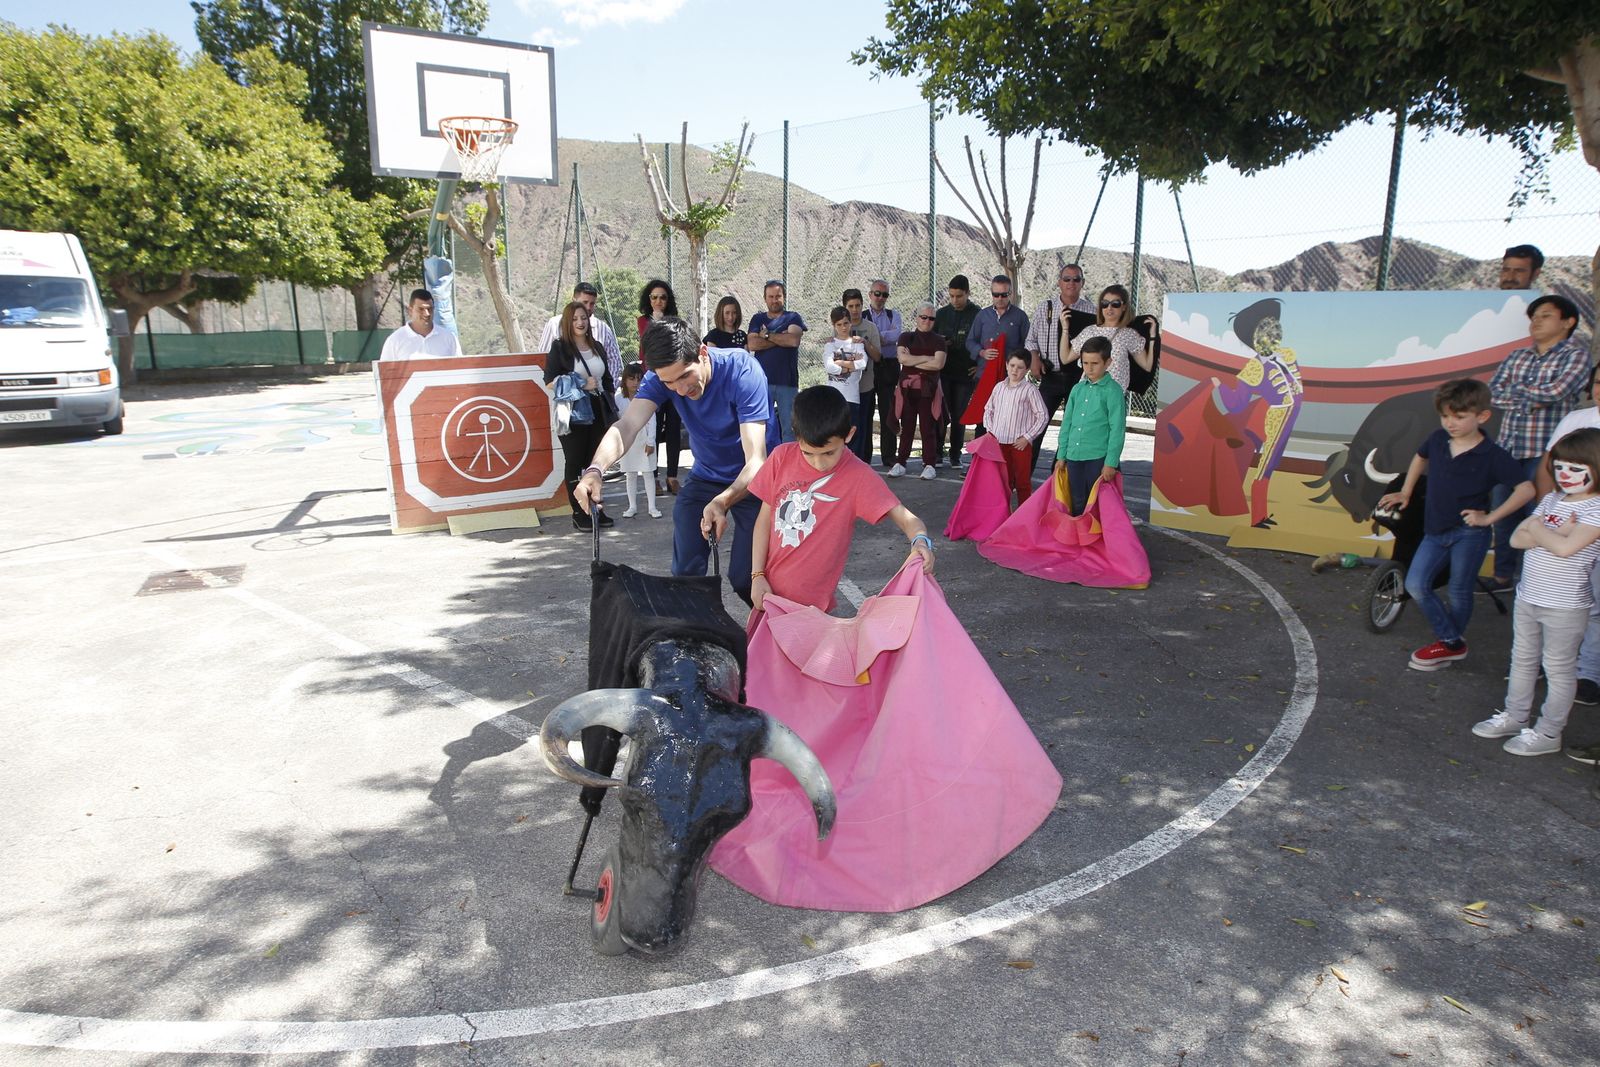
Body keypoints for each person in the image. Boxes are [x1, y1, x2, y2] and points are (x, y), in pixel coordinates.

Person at [576, 317, 772, 603]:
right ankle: (694, 639)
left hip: (758, 482)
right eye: (670, 383)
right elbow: (627, 426)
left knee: (747, 579)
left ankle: (778, 638)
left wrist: (723, 501)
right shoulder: (662, 379)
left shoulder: (742, 370)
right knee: (684, 577)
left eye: (685, 376)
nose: (680, 390)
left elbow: (756, 460)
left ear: (702, 353)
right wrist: (595, 470)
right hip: (706, 476)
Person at [1375, 379, 1536, 671]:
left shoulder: (1494, 455)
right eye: (1446, 416)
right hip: (1434, 530)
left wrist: (1488, 518)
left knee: (1460, 590)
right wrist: (1407, 491)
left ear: (1482, 416)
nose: (1451, 423)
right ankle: (1452, 641)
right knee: (1415, 583)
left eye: (1459, 417)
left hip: (1470, 534)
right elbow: (1420, 457)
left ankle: (1448, 646)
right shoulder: (1437, 439)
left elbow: (1526, 490)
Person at [749, 385, 934, 615]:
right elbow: (764, 520)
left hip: (816, 613)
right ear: (796, 435)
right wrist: (757, 575)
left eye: (828, 453)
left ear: (849, 434)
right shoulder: (781, 458)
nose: (819, 463)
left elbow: (909, 520)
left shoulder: (858, 476)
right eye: (808, 453)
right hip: (769, 599)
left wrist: (920, 541)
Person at [1471, 428, 1600, 756]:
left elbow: (1567, 549)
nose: (1565, 474)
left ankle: (1548, 732)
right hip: (1529, 595)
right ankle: (1514, 715)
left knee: (1558, 668)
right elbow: (1516, 540)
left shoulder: (1596, 509)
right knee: (1523, 659)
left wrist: (1540, 529)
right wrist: (1553, 533)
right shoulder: (1552, 499)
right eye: (1559, 466)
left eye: (1575, 468)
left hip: (1566, 604)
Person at [1487, 294, 1591, 588]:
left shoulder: (1576, 354)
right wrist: (1530, 398)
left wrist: (1518, 393)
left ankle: (1538, 577)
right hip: (1507, 448)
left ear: (1568, 322)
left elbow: (1556, 392)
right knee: (1503, 513)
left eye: (1545, 315)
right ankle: (1503, 576)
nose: (1536, 321)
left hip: (1546, 452)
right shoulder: (1517, 355)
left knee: (1544, 514)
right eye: (1534, 316)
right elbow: (1492, 393)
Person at [1534, 366, 1600, 705]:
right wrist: (1547, 512)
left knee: (1596, 603)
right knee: (1556, 595)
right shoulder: (1578, 419)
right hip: (1568, 522)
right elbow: (1548, 466)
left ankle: (1588, 672)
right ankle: (1552, 661)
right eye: (1599, 381)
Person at [545, 301, 617, 531]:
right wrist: (582, 385)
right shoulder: (560, 348)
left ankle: (597, 507)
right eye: (575, 318)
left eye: (583, 318)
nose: (580, 322)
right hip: (574, 412)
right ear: (568, 321)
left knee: (595, 462)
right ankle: (579, 512)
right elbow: (549, 381)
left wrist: (608, 397)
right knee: (575, 462)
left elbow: (606, 379)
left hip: (598, 409)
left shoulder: (597, 346)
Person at [1027, 263, 1098, 473]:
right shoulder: (1045, 307)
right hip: (1051, 376)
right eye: (1066, 279)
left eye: (1076, 279)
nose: (1071, 283)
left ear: (1082, 283)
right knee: (1036, 426)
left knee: (1071, 431)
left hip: (1078, 378)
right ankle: (1022, 478)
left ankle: (1057, 480)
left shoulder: (1091, 311)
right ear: (1059, 282)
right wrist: (1034, 359)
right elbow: (1030, 340)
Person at [1053, 338, 1126, 516]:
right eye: (1085, 363)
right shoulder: (1077, 390)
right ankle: (1080, 538)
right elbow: (1067, 423)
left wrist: (1111, 463)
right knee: (1076, 500)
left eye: (1095, 363)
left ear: (1108, 362)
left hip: (1097, 457)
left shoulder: (1113, 391)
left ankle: (1096, 540)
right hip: (1073, 456)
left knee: (1097, 502)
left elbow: (1117, 429)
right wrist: (1061, 454)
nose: (1089, 368)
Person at [982, 349, 1049, 510]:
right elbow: (988, 410)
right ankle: (1001, 513)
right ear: (1006, 365)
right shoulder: (999, 387)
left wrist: (1027, 437)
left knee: (1022, 482)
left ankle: (1023, 515)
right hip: (999, 444)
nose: (1015, 370)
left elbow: (1043, 415)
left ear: (1026, 370)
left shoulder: (1029, 390)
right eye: (1012, 365)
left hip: (1020, 445)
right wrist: (991, 432)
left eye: (1020, 367)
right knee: (1002, 481)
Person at [746, 280, 807, 444]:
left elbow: (794, 341)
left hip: (787, 383)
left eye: (778, 296)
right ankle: (765, 464)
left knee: (790, 429)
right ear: (765, 298)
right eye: (771, 296)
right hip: (762, 382)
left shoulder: (793, 317)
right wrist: (782, 337)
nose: (774, 300)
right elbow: (752, 344)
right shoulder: (757, 319)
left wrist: (766, 335)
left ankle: (788, 466)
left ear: (784, 297)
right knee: (762, 428)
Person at [890, 302, 946, 479]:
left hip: (928, 389)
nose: (927, 321)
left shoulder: (939, 340)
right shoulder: (906, 337)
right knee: (907, 426)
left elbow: (938, 364)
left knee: (927, 427)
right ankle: (901, 462)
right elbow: (902, 359)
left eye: (931, 318)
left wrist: (912, 358)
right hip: (907, 389)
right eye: (924, 317)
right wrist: (926, 358)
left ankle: (929, 463)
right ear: (917, 318)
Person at [638, 279, 683, 494]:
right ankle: (653, 477)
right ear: (649, 299)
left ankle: (672, 477)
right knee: (653, 430)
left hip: (673, 380)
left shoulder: (675, 321)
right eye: (654, 297)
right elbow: (646, 349)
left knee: (674, 427)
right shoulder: (642, 322)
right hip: (653, 379)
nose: (658, 301)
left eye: (662, 297)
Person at [1068, 284, 1155, 393]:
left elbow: (1147, 365)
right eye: (1105, 304)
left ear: (1124, 306)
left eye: (1115, 304)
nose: (1109, 308)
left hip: (1113, 394)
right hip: (1087, 392)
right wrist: (1065, 328)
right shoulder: (1089, 331)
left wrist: (1152, 338)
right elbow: (1066, 358)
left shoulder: (1128, 334)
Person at [965, 274, 1030, 418]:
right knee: (982, 418)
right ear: (991, 293)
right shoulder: (982, 315)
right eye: (996, 294)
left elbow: (1028, 345)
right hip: (984, 374)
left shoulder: (1020, 317)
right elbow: (970, 341)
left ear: (1010, 294)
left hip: (1010, 377)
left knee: (1008, 418)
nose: (999, 298)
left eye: (1004, 294)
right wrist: (982, 352)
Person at [935, 275, 979, 467]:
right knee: (941, 414)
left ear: (967, 294)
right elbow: (932, 338)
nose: (955, 300)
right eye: (951, 296)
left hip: (965, 373)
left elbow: (983, 341)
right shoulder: (942, 313)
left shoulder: (978, 314)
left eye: (959, 296)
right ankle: (936, 453)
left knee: (960, 415)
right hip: (943, 372)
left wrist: (979, 365)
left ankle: (955, 454)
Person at [537, 281, 621, 381]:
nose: (588, 307)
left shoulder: (603, 329)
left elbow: (614, 362)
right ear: (574, 300)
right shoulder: (554, 324)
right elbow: (542, 358)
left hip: (596, 392)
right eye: (584, 302)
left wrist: (608, 389)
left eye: (592, 304)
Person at [819, 306, 869, 457]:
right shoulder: (830, 345)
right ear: (834, 326)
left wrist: (840, 363)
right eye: (839, 324)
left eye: (846, 323)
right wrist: (850, 365)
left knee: (852, 434)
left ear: (850, 323)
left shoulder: (857, 344)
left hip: (852, 397)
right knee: (834, 433)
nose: (843, 327)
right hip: (834, 397)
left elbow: (863, 364)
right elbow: (829, 366)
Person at [865, 279, 904, 466]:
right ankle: (863, 456)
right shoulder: (862, 316)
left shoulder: (893, 315)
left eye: (884, 294)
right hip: (868, 366)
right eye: (877, 293)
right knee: (865, 411)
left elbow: (896, 336)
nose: (880, 298)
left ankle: (889, 456)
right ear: (870, 294)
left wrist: (875, 337)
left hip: (889, 366)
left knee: (889, 411)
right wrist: (882, 337)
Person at [615, 362, 659, 519]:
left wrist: (650, 441)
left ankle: (652, 507)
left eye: (638, 379)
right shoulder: (618, 399)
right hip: (628, 439)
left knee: (648, 473)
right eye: (631, 379)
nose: (635, 383)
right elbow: (619, 421)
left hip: (644, 438)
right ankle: (632, 506)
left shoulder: (646, 395)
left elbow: (652, 419)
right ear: (625, 380)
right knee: (630, 473)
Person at [842, 288, 881, 460]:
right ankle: (845, 460)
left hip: (865, 387)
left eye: (858, 305)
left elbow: (878, 356)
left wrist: (864, 343)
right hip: (845, 389)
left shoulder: (870, 328)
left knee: (864, 427)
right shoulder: (840, 328)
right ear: (845, 307)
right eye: (851, 306)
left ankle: (864, 462)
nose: (855, 310)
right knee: (846, 427)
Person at [379, 289, 462, 360]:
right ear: (410, 311)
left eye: (429, 309)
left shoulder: (449, 338)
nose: (426, 314)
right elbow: (385, 374)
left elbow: (460, 370)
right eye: (421, 309)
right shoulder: (395, 340)